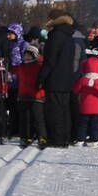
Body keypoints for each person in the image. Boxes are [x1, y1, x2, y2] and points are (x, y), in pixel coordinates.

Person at [38, 9, 80, 147]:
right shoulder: (69, 35)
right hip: (67, 78)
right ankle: (65, 138)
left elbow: (50, 60)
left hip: (55, 78)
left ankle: (56, 139)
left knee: (54, 110)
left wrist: (41, 77)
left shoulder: (55, 35)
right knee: (64, 110)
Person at [72, 54, 98, 146]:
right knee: (96, 125)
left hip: (84, 107)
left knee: (82, 124)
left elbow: (75, 90)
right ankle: (95, 140)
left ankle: (80, 140)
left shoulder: (82, 80)